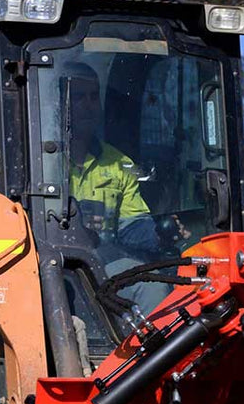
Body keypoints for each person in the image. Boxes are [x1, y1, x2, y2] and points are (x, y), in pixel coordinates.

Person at [65, 68, 168, 317]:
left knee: (149, 285)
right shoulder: (35, 161)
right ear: (61, 102)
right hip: (47, 263)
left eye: (93, 96)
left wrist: (163, 232)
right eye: (79, 97)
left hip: (102, 264)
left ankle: (155, 355)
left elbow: (133, 225)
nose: (88, 105)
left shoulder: (119, 162)